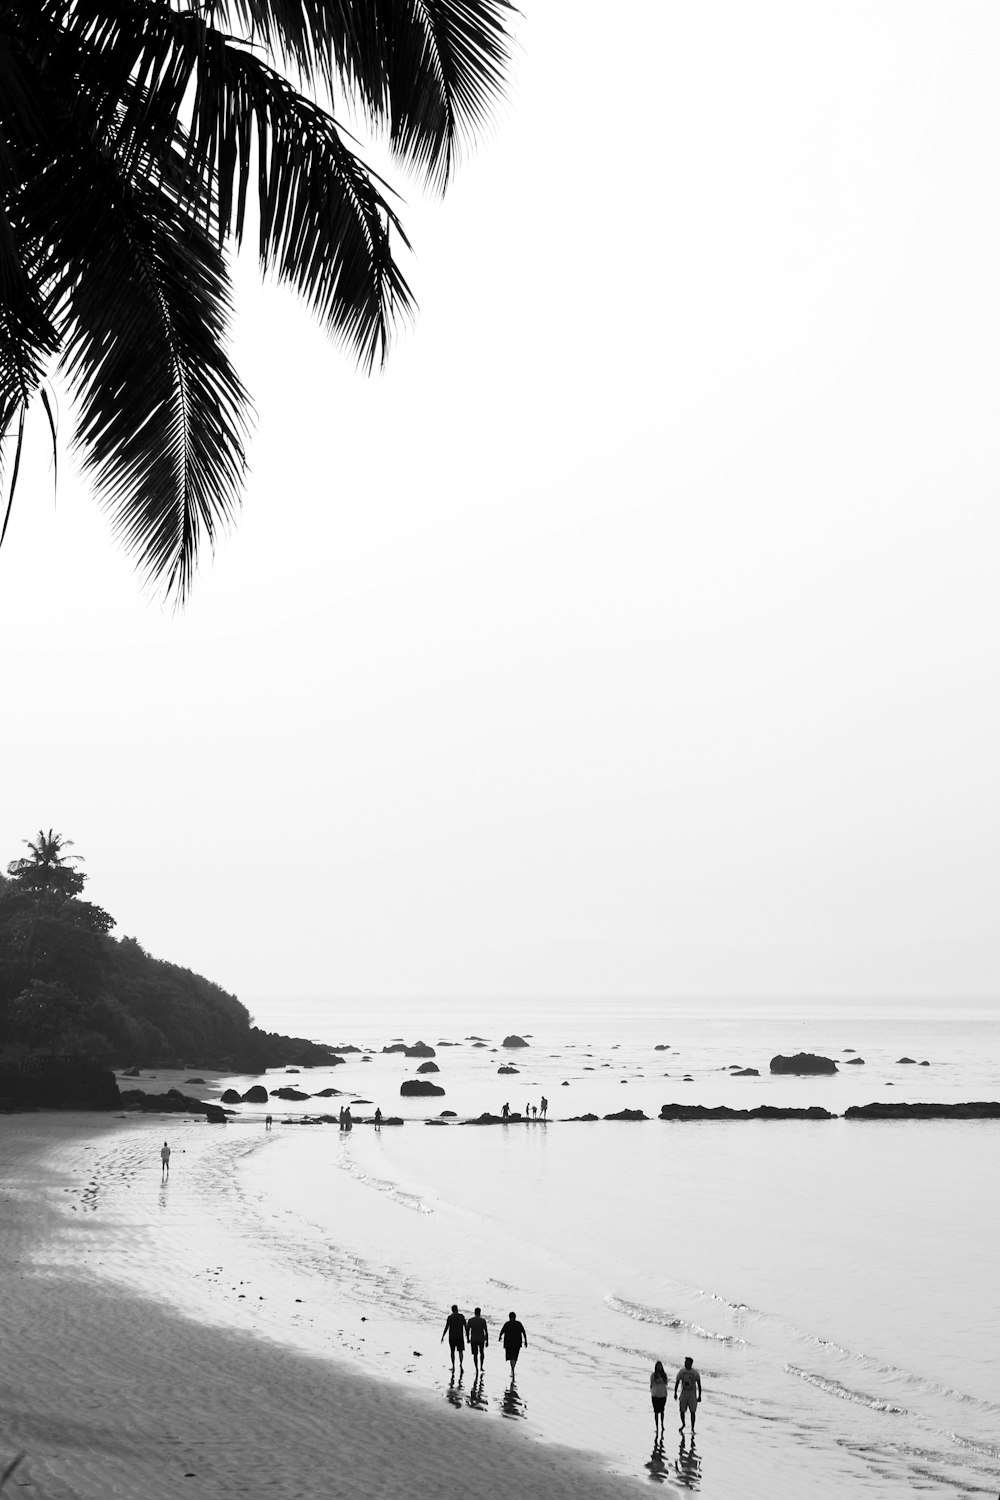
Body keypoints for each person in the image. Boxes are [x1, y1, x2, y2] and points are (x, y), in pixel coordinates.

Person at [675, 1356, 702, 1433]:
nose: (685, 1363)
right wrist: (675, 1393)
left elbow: (699, 1385)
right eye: (685, 1362)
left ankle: (692, 1428)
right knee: (682, 1411)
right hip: (683, 1394)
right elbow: (677, 1382)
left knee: (692, 1412)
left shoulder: (695, 1373)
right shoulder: (681, 1372)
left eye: (687, 1362)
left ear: (691, 1363)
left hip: (692, 1395)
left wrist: (699, 1396)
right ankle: (683, 1424)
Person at [441, 1304, 467, 1375]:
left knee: (452, 1351)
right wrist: (467, 1335)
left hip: (452, 1337)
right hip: (460, 1337)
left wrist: (443, 1336)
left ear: (452, 1310)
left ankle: (453, 1365)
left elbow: (447, 1327)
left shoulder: (450, 1317)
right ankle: (461, 1364)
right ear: (457, 1309)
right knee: (460, 1352)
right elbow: (465, 1326)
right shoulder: (461, 1316)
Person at [499, 1310, 527, 1376]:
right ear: (515, 1317)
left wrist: (500, 1337)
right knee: (515, 1357)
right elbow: (523, 1332)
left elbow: (502, 1331)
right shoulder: (518, 1324)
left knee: (511, 1357)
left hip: (508, 1343)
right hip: (517, 1343)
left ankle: (512, 1369)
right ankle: (513, 1369)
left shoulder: (507, 1324)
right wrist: (525, 1341)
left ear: (509, 1317)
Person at [649, 1359, 669, 1439]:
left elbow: (666, 1383)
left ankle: (662, 1424)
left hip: (663, 1395)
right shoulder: (653, 1375)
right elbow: (651, 1384)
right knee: (656, 1411)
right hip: (655, 1395)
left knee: (662, 1410)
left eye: (660, 1366)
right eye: (658, 1366)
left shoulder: (664, 1375)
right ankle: (657, 1426)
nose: (659, 1367)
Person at [467, 1306, 489, 1373]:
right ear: (480, 1313)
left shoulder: (471, 1320)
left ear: (474, 1313)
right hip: (481, 1338)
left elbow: (467, 1330)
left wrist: (468, 1338)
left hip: (474, 1339)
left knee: (475, 1354)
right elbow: (486, 1331)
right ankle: (481, 1366)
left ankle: (476, 1367)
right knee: (482, 1352)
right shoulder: (483, 1320)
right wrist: (487, 1340)